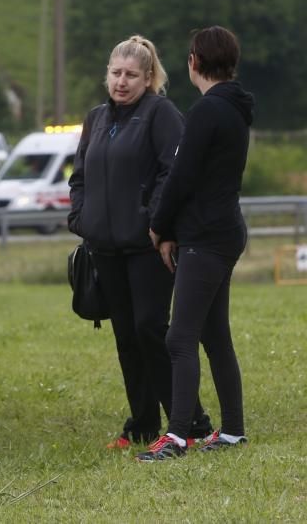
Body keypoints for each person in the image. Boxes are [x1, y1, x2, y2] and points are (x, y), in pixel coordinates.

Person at [68, 35, 212, 451]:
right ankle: (143, 424)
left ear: (149, 78)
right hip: (104, 247)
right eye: (116, 73)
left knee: (152, 329)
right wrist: (80, 217)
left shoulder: (160, 114)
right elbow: (79, 175)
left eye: (132, 75)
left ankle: (189, 421)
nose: (122, 81)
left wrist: (157, 222)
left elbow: (175, 172)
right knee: (126, 336)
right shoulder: (95, 118)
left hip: (147, 246)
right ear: (107, 75)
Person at [138, 26, 254, 462]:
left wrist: (160, 226)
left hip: (205, 236)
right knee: (214, 334)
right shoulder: (236, 108)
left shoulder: (207, 111)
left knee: (180, 337)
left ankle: (178, 437)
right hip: (224, 229)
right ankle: (232, 432)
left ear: (193, 62)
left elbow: (183, 177)